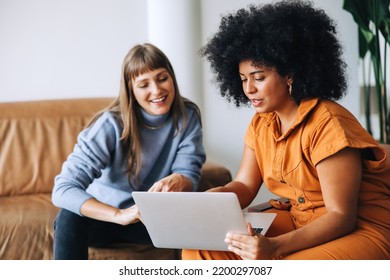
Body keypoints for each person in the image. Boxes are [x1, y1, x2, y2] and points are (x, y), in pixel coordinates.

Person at [182, 1, 390, 260]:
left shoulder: (329, 123)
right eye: (243, 79)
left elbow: (341, 217)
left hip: (359, 229)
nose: (249, 89)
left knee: (282, 267)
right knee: (198, 251)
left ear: (290, 74)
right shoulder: (261, 122)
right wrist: (216, 197)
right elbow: (246, 185)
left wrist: (275, 247)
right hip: (297, 220)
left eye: (258, 77)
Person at [52, 43, 206, 259]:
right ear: (131, 90)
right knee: (68, 217)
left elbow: (190, 173)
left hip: (150, 219)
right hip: (104, 220)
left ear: (172, 77)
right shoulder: (110, 124)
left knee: (203, 221)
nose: (157, 90)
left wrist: (182, 179)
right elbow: (63, 189)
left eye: (162, 78)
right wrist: (119, 214)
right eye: (144, 84)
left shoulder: (187, 115)